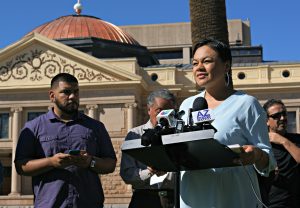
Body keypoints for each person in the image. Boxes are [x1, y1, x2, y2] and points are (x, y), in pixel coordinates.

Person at [178, 38, 276, 208]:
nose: (199, 67)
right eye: (195, 63)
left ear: (226, 66)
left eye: (207, 61)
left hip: (233, 198)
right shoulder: (187, 105)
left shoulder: (246, 104)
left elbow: (269, 162)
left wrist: (256, 155)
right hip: (193, 198)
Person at [14, 73, 117, 208]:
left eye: (76, 92)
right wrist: (51, 162)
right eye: (66, 92)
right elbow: (21, 166)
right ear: (52, 95)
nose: (73, 96)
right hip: (50, 204)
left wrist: (90, 162)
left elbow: (110, 164)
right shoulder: (33, 127)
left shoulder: (95, 127)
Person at [120, 89, 176, 208]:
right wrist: (149, 172)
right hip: (144, 199)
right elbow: (126, 174)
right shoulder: (135, 135)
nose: (163, 116)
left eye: (169, 112)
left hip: (174, 199)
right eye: (159, 111)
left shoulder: (180, 135)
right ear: (149, 109)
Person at [263, 99, 300, 207]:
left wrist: (283, 141)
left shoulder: (297, 139)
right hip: (273, 203)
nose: (282, 118)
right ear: (266, 120)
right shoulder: (262, 144)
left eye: (284, 114)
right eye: (276, 116)